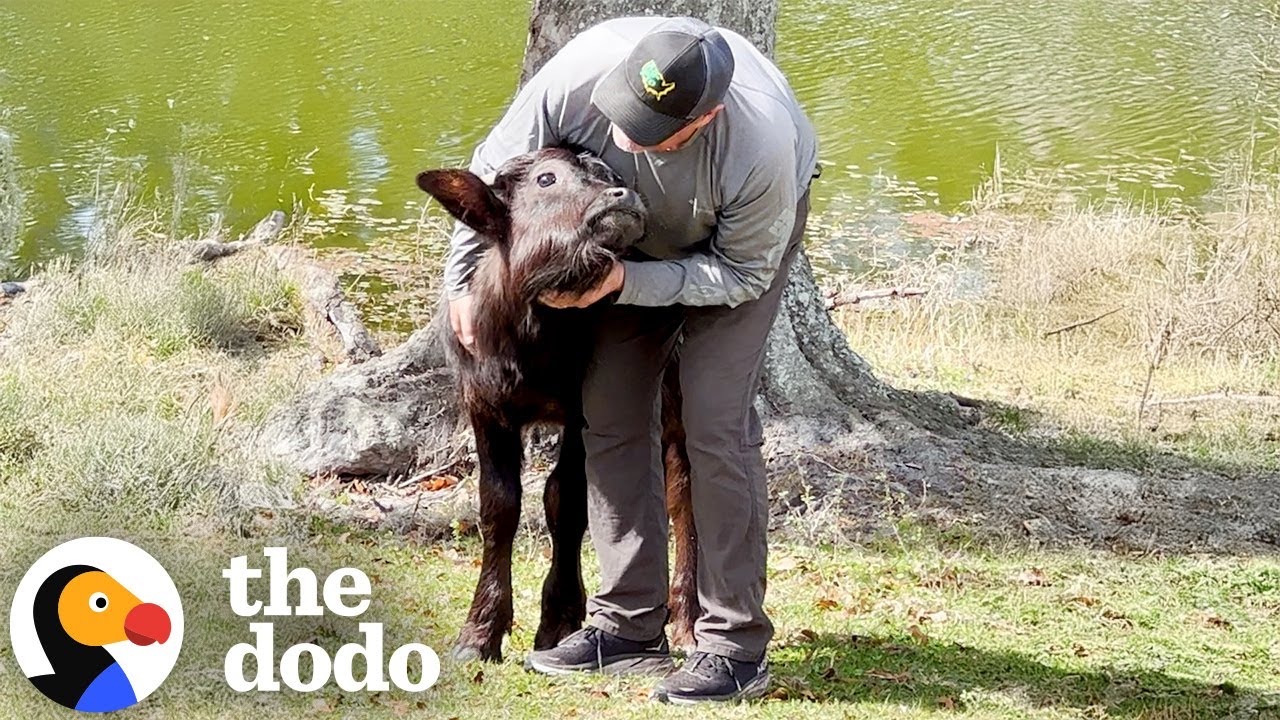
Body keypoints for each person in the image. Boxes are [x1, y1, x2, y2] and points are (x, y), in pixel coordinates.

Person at [442, 15, 818, 704]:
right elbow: (491, 178)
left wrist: (626, 285)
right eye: (622, 112)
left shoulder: (759, 150)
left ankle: (734, 646)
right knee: (611, 411)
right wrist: (460, 283)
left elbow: (742, 275)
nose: (621, 137)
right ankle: (627, 627)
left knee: (713, 424)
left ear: (703, 119)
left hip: (728, 261)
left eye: (649, 131)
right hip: (630, 242)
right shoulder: (577, 72)